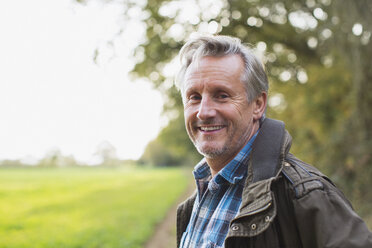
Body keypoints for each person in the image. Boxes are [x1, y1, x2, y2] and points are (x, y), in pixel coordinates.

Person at [175, 34, 372, 248]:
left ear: (258, 104)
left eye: (222, 95)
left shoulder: (304, 194)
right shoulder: (195, 203)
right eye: (194, 97)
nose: (204, 112)